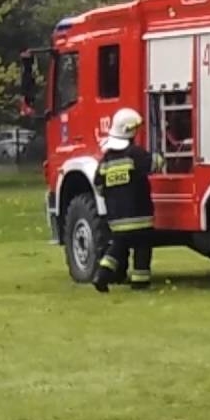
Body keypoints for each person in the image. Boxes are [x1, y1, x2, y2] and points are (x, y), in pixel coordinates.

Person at [93, 107, 158, 293]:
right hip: (140, 217)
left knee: (117, 249)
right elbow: (155, 164)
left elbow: (98, 186)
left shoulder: (105, 161)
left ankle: (101, 276)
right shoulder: (135, 154)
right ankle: (140, 282)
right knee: (142, 248)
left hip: (117, 220)